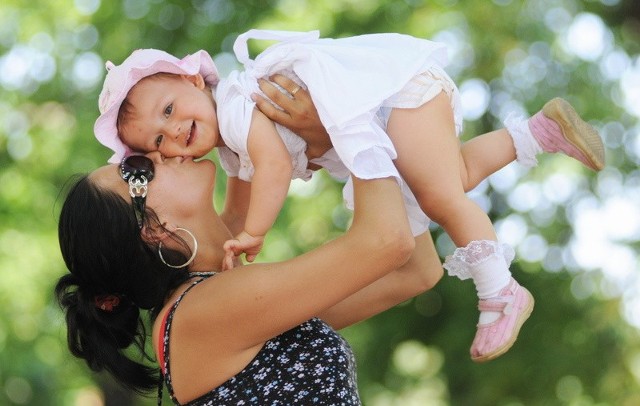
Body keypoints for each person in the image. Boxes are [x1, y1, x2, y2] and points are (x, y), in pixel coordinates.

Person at [92, 30, 605, 362]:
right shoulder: (201, 315)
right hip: (391, 105)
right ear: (151, 230)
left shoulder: (234, 113)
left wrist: (255, 231)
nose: (168, 146)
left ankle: (499, 288)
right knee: (449, 181)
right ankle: (536, 135)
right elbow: (397, 250)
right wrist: (332, 132)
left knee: (442, 194)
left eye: (168, 113)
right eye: (143, 157)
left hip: (387, 99)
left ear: (189, 79)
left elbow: (262, 188)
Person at [56, 146, 452, 404]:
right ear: (152, 229)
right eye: (136, 168)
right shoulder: (206, 311)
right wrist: (351, 120)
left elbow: (415, 272)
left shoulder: (216, 305)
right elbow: (386, 242)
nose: (156, 152)